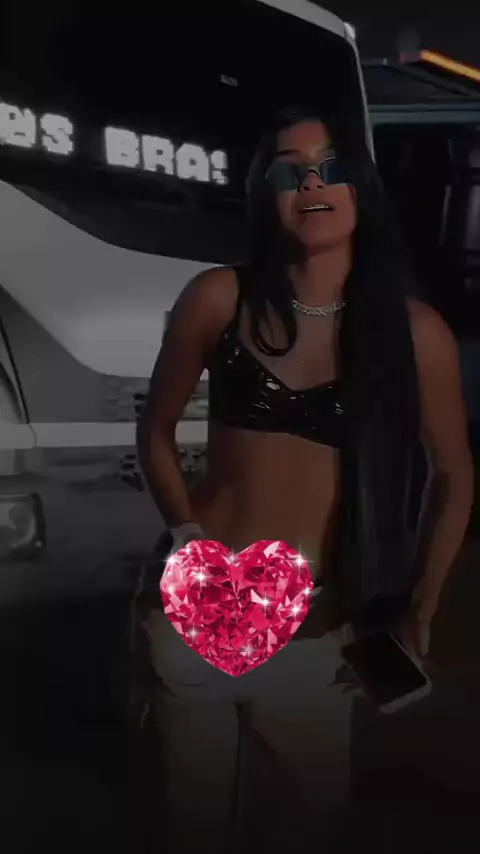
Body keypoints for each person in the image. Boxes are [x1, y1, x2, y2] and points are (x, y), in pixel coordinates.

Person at [134, 105, 473, 853]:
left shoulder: (415, 332)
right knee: (186, 828)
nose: (312, 183)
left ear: (361, 189)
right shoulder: (218, 297)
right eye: (290, 172)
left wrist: (419, 611)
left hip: (322, 627)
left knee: (300, 830)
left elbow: (454, 477)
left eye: (331, 167)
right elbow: (156, 429)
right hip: (200, 602)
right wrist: (186, 535)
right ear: (266, 193)